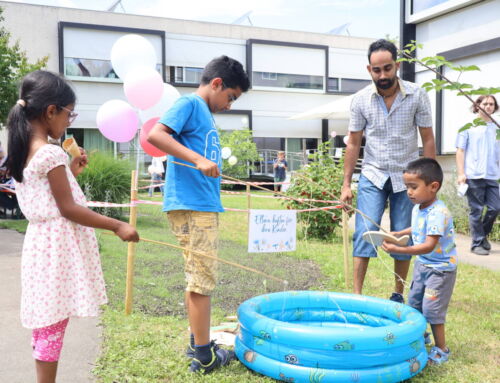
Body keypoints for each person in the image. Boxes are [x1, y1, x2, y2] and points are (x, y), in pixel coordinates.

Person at [5, 70, 139, 383]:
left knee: (46, 324)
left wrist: (71, 171)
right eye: (69, 114)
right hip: (56, 250)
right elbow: (68, 208)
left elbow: (49, 200)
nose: (69, 121)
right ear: (51, 111)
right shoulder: (50, 153)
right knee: (52, 325)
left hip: (41, 246)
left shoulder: (24, 151)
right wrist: (117, 225)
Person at [147, 55, 250, 374]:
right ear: (217, 83)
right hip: (193, 206)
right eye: (230, 97)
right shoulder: (190, 104)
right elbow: (156, 135)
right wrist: (198, 160)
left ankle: (199, 343)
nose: (230, 105)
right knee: (202, 280)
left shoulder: (203, 112)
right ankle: (204, 357)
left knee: (199, 276)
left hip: (201, 204)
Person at [341, 39, 436, 301]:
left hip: (408, 179)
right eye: (376, 70)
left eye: (387, 68)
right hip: (373, 174)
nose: (382, 75)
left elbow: (427, 138)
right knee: (364, 232)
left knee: (403, 235)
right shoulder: (360, 100)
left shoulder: (417, 95)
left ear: (397, 65)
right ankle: (357, 295)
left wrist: (429, 183)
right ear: (368, 69)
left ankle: (397, 293)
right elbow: (354, 142)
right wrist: (346, 184)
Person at [382, 158, 457, 365]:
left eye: (413, 187)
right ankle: (420, 336)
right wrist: (400, 232)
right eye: (407, 187)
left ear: (433, 187)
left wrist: (400, 249)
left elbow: (428, 245)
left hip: (440, 271)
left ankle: (441, 348)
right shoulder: (419, 207)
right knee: (415, 304)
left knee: (432, 310)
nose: (409, 192)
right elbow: (417, 229)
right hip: (423, 266)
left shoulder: (438, 213)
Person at [456, 95, 499, 255]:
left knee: (495, 208)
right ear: (477, 105)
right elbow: (460, 150)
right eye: (485, 103)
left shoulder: (497, 127)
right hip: (473, 175)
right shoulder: (468, 126)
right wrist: (461, 173)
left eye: (491, 104)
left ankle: (481, 237)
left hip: (492, 175)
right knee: (476, 210)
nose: (488, 106)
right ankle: (477, 244)